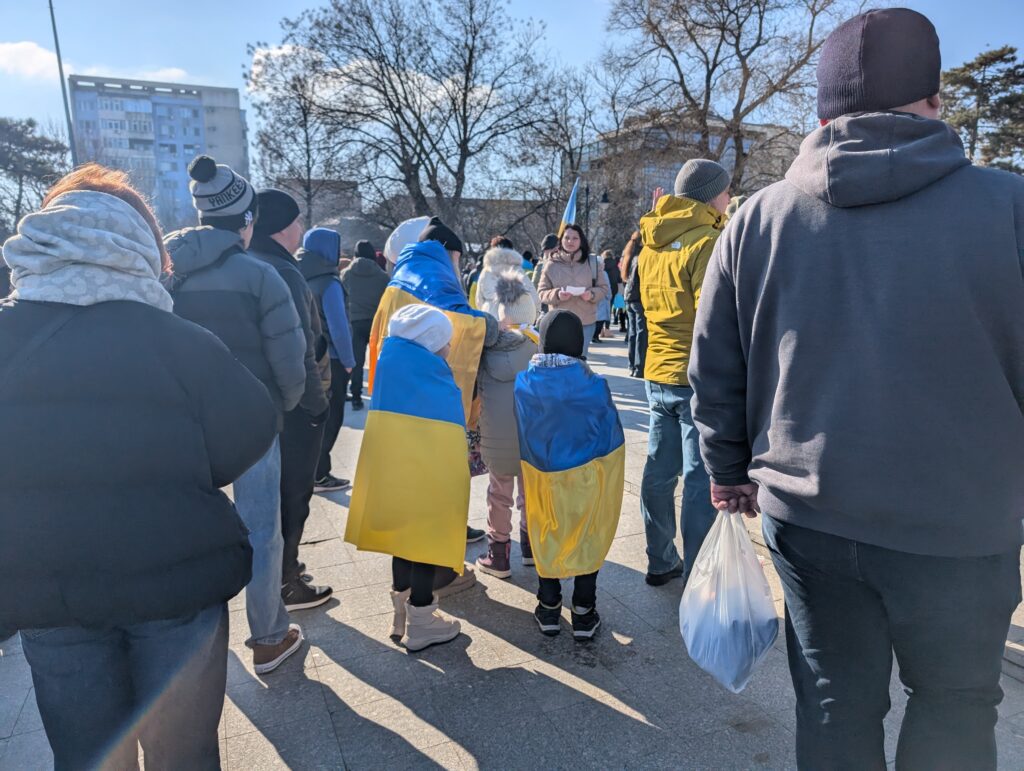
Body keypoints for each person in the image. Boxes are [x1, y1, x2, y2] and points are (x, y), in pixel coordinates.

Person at [690, 9, 1024, 770]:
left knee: (834, 700)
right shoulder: (1008, 208)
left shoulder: (755, 222)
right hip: (963, 520)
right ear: (935, 100)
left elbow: (715, 363)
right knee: (957, 703)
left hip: (809, 515)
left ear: (822, 112)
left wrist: (727, 469)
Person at [1, 164, 279, 768]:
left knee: (87, 757)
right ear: (139, 246)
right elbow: (253, 425)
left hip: (48, 586)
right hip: (175, 576)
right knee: (184, 756)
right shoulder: (176, 337)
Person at [165, 155, 307, 674]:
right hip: (251, 421)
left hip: (181, 423)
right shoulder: (261, 276)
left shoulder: (167, 276)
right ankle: (269, 636)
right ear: (245, 221)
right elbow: (289, 359)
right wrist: (283, 406)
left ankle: (187, 644)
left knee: (184, 529)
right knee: (260, 529)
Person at [369, 216, 502, 578]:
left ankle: (411, 577)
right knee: (436, 484)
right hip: (431, 405)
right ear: (446, 252)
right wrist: (493, 326)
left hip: (398, 400)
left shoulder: (402, 276)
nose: (457, 268)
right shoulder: (433, 277)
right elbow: (457, 328)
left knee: (408, 483)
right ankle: (436, 574)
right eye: (457, 259)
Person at [347, 304, 467, 651]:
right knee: (424, 538)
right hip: (426, 471)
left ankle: (400, 610)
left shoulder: (392, 360)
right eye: (445, 342)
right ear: (429, 343)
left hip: (393, 467)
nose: (448, 349)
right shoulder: (431, 372)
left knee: (402, 537)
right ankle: (422, 621)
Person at [637, 159, 730, 588]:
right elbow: (713, 319)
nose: (728, 199)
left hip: (658, 371)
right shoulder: (708, 241)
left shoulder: (651, 242)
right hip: (695, 376)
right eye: (725, 191)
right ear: (712, 195)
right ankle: (697, 574)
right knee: (698, 479)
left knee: (659, 470)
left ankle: (659, 559)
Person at [514, 310, 625, 639]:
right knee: (588, 536)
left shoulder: (525, 384)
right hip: (587, 476)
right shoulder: (594, 385)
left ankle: (549, 608)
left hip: (540, 476)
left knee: (546, 533)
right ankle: (584, 611)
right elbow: (610, 436)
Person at [249, 188, 335, 612]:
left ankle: (277, 578)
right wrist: (317, 408)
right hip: (292, 406)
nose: (302, 228)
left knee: (265, 499)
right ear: (284, 228)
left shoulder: (249, 263)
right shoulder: (284, 273)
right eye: (298, 221)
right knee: (292, 494)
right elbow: (303, 348)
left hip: (253, 403)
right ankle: (287, 581)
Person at [474, 273, 540, 577]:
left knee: (498, 494)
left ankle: (498, 556)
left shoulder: (485, 351)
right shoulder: (539, 348)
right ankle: (531, 549)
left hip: (495, 441)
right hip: (530, 438)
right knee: (531, 493)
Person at [298, 227, 357, 491]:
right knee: (332, 418)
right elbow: (339, 326)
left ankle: (311, 470)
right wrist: (348, 360)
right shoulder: (329, 282)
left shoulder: (299, 274)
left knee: (315, 414)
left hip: (309, 354)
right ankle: (320, 473)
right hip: (332, 358)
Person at [535, 224, 610, 357]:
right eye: (567, 238)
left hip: (585, 322)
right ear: (561, 240)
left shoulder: (592, 262)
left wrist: (591, 294)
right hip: (558, 322)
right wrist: (557, 294)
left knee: (579, 361)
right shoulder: (551, 264)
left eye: (575, 238)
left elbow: (603, 288)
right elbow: (541, 292)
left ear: (581, 241)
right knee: (558, 361)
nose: (570, 241)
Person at [341, 239, 389, 411]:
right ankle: (381, 397)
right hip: (375, 321)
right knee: (379, 361)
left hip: (354, 321)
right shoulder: (383, 276)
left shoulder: (346, 274)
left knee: (357, 362)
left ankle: (356, 397)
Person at [474, 242, 541, 318]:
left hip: (491, 319)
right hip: (513, 319)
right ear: (512, 251)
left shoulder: (486, 271)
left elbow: (479, 300)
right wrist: (535, 316)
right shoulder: (517, 270)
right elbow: (533, 296)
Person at [621, 231, 647, 378]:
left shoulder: (629, 255)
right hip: (638, 298)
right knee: (641, 334)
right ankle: (639, 367)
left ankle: (632, 365)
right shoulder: (641, 256)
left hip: (629, 296)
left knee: (632, 333)